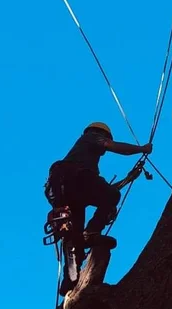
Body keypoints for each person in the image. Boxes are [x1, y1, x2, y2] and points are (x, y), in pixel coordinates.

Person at [45, 122, 152, 293]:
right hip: (74, 179)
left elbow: (100, 193)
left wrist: (128, 178)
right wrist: (142, 149)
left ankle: (70, 280)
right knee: (111, 197)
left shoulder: (80, 156)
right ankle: (91, 232)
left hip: (66, 190)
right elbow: (114, 147)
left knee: (74, 238)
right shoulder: (91, 137)